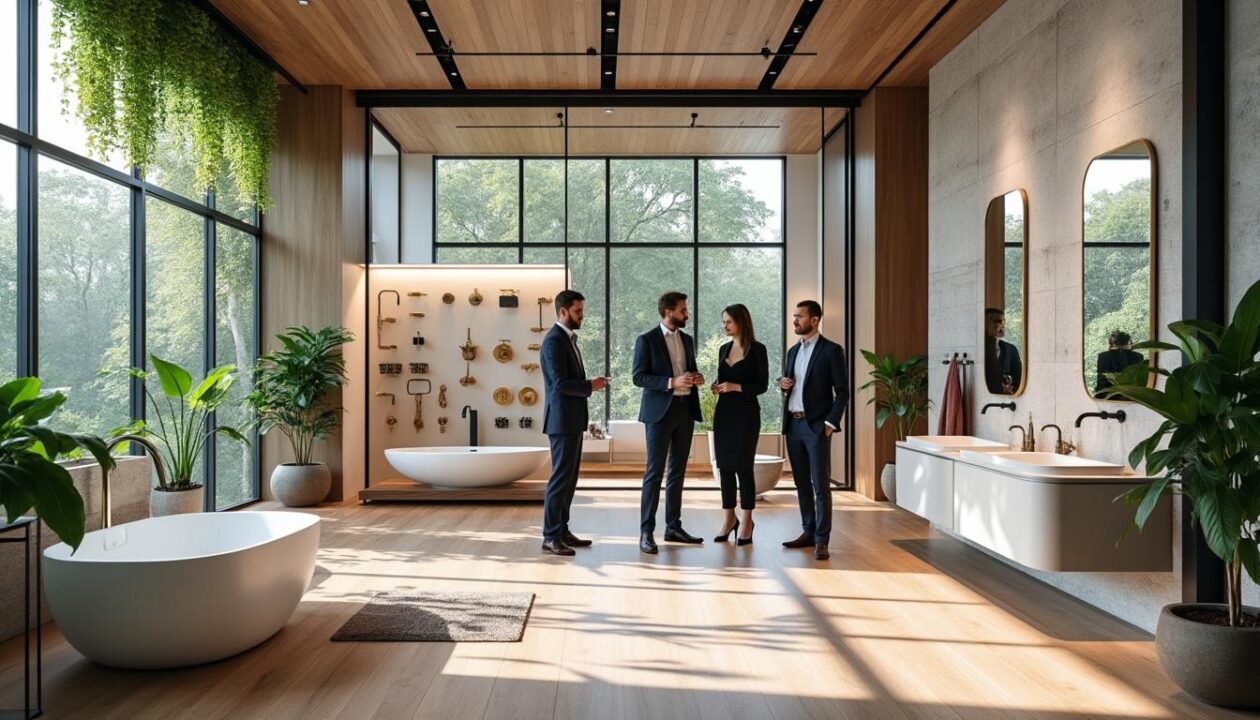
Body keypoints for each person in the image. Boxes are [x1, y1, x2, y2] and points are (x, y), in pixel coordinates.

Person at [632, 291, 705, 554]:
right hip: (659, 414)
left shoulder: (686, 339)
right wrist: (671, 382)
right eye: (683, 310)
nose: (687, 314)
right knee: (654, 473)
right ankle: (646, 533)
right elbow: (638, 377)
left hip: (685, 410)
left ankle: (673, 526)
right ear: (668, 312)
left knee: (677, 472)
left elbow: (688, 368)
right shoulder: (646, 340)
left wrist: (695, 377)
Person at [539, 290, 608, 557]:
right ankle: (550, 536)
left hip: (570, 420)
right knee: (560, 479)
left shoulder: (567, 339)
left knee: (568, 479)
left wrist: (590, 385)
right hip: (561, 421)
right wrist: (591, 385)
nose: (582, 316)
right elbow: (559, 384)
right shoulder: (554, 341)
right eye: (578, 311)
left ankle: (561, 530)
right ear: (563, 311)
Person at [779, 300, 848, 561]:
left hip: (816, 426)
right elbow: (792, 387)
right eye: (794, 316)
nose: (795, 321)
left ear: (815, 320)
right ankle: (808, 531)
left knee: (820, 484)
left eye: (800, 317)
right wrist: (784, 386)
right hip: (793, 425)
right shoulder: (792, 352)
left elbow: (842, 392)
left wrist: (830, 424)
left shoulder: (832, 351)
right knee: (800, 483)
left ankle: (822, 540)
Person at [710, 304, 769, 546]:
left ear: (741, 322)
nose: (724, 326)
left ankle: (746, 521)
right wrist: (718, 386)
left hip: (746, 415)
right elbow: (722, 379)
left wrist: (736, 387)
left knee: (743, 467)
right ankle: (728, 518)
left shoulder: (758, 350)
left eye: (728, 322)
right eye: (723, 321)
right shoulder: (724, 349)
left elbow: (762, 385)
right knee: (724, 467)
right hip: (723, 413)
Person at [1094, 330, 1144, 397]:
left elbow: (1101, 382)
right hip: (1132, 396)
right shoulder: (1138, 356)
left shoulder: (1103, 356)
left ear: (1112, 344)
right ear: (1129, 342)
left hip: (1105, 395)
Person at [983, 307, 1021, 395]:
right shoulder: (978, 350)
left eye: (1004, 322)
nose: (1003, 326)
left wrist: (1010, 385)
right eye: (998, 321)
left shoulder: (1011, 350)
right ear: (986, 323)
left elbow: (1019, 379)